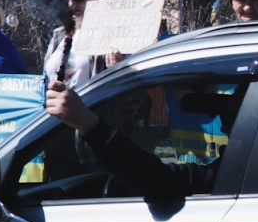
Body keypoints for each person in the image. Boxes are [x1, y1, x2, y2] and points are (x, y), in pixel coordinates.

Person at [45, 78, 230, 200]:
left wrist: (86, 122)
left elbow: (160, 182)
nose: (221, 121)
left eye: (233, 104)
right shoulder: (241, 172)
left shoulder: (242, 175)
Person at [44, 0, 124, 87]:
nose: (71, 4)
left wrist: (118, 72)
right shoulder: (58, 36)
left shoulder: (111, 38)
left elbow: (134, 98)